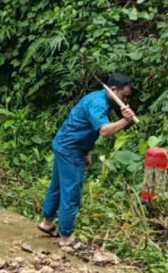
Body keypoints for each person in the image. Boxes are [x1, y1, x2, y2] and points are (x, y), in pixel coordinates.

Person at [37, 74, 136, 250]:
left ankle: (47, 223)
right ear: (113, 90)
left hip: (66, 144)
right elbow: (104, 131)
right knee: (71, 191)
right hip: (70, 149)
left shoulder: (97, 97)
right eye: (124, 96)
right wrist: (125, 120)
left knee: (58, 186)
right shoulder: (98, 103)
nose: (125, 100)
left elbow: (86, 128)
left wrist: (87, 152)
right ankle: (66, 236)